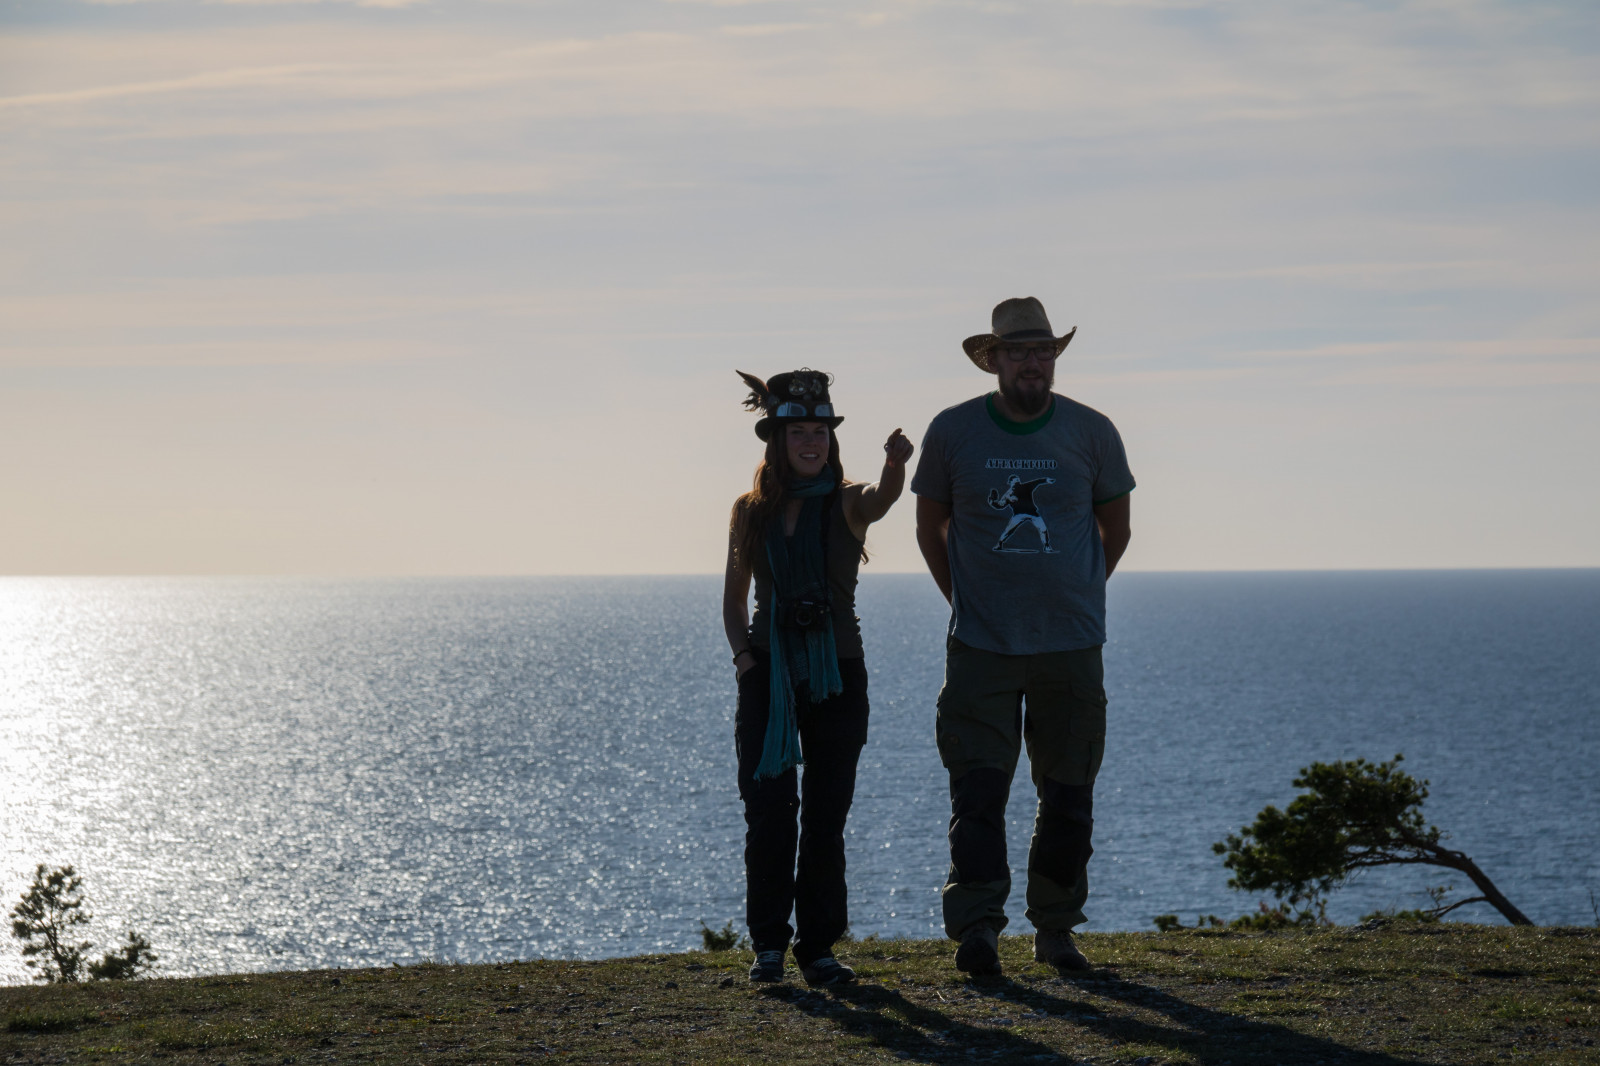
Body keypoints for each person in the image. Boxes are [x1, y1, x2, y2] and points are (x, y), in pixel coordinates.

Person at [911, 297, 1134, 976]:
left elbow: (1116, 527)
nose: (1032, 362)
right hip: (981, 646)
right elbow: (930, 527)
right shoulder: (953, 432)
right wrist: (968, 601)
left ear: (1054, 358)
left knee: (1069, 792)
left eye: (1042, 351)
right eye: (1017, 352)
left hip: (1071, 643)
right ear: (994, 360)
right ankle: (978, 927)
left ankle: (1056, 930)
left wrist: (1078, 595)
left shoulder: (1092, 431)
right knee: (977, 792)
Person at [723, 368, 914, 987]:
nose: (811, 442)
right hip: (769, 678)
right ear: (775, 441)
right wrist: (747, 662)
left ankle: (819, 948)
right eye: (797, 431)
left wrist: (895, 465)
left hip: (839, 675)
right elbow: (734, 601)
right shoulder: (749, 512)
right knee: (769, 814)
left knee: (826, 817)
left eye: (820, 432)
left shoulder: (848, 500)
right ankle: (769, 948)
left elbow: (883, 501)